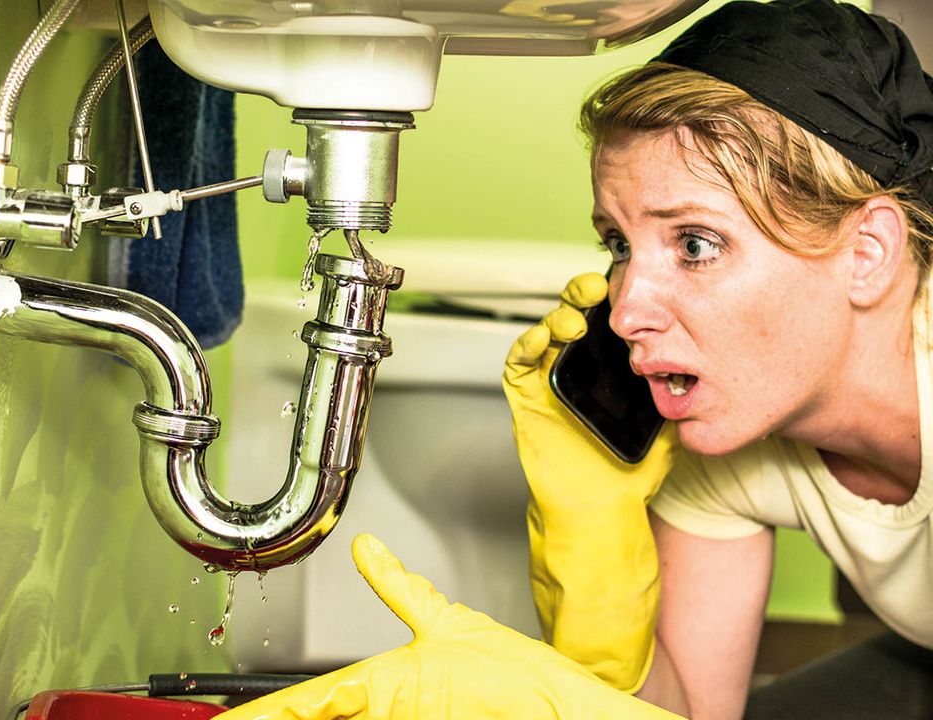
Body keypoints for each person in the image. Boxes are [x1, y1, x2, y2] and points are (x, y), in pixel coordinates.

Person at [215, 1, 933, 717]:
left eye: (694, 244)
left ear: (867, 253)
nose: (624, 313)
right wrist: (593, 549)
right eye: (618, 245)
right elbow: (686, 711)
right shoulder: (725, 434)